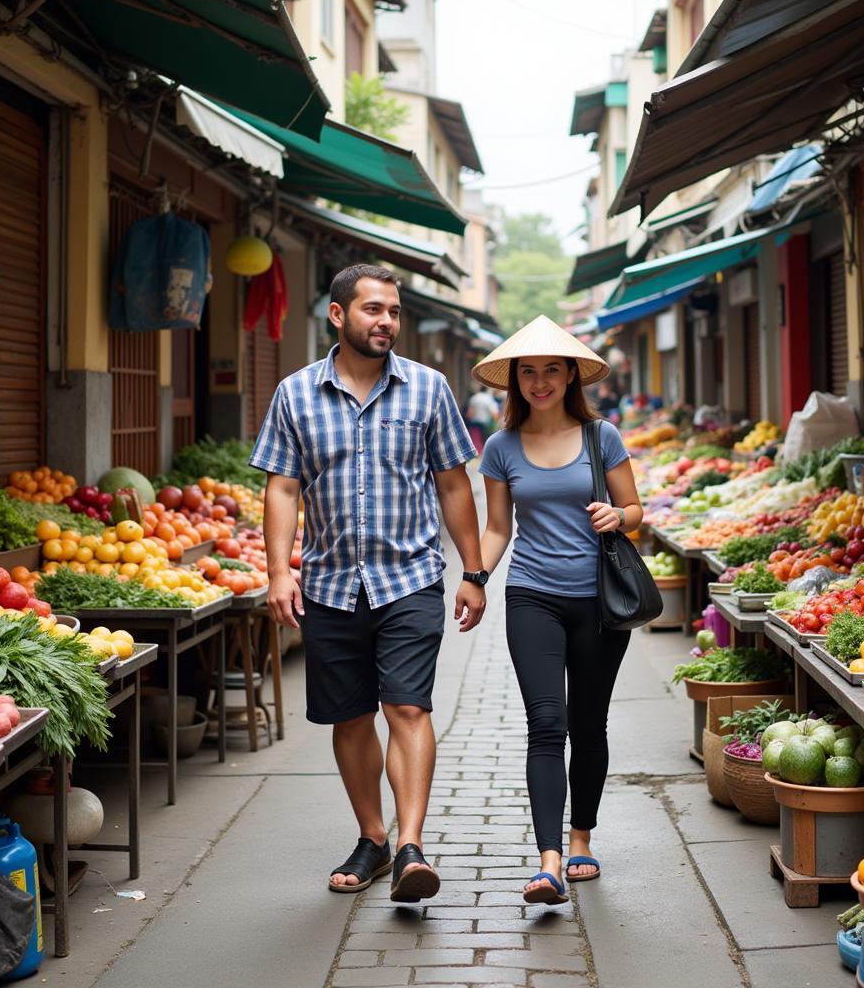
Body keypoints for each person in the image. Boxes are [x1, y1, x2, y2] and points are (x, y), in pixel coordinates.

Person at [251, 263, 488, 903]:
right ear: (338, 315)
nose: (385, 321)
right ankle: (373, 837)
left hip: (409, 579)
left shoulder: (429, 389)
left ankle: (411, 845)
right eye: (372, 310)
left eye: (392, 311)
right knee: (350, 719)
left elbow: (451, 484)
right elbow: (281, 485)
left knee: (407, 707)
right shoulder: (295, 394)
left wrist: (473, 571)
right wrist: (280, 570)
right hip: (329, 583)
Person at [472, 315, 643, 906]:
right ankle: (547, 862)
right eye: (528, 372)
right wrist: (475, 578)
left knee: (587, 722)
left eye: (551, 369)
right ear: (514, 380)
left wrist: (618, 518)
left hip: (599, 602)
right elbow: (498, 528)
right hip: (531, 596)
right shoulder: (500, 447)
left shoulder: (603, 437)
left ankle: (581, 840)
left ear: (571, 374)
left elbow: (636, 508)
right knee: (546, 724)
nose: (540, 381)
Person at [464, 382, 500, 454]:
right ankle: (485, 454)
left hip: (474, 422)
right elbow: (494, 413)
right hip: (485, 423)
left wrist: (467, 421)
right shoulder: (489, 398)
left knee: (476, 439)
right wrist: (497, 423)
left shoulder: (474, 398)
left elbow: (469, 413)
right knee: (485, 440)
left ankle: (476, 452)